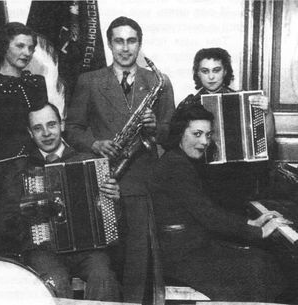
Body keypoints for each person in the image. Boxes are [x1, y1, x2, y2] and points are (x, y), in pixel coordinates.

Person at [65, 16, 175, 302]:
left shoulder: (158, 82)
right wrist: (95, 143)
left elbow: (172, 134)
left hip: (142, 185)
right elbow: (72, 128)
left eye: (131, 41)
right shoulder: (89, 81)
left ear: (139, 44)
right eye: (118, 41)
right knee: (105, 262)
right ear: (109, 44)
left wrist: (155, 127)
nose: (125, 48)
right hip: (103, 183)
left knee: (139, 266)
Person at [147, 104, 292, 302]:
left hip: (188, 246)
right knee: (260, 266)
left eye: (208, 135)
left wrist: (251, 223)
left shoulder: (179, 160)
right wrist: (259, 231)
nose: (204, 141)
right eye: (197, 134)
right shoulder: (176, 166)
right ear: (180, 133)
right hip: (180, 256)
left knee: (263, 262)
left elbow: (206, 210)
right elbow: (208, 215)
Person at [0, 103, 121, 301]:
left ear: (62, 125)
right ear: (30, 133)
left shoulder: (88, 161)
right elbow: (5, 222)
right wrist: (27, 209)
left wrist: (113, 200)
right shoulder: (21, 169)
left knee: (103, 276)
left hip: (88, 249)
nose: (46, 133)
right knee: (54, 280)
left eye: (51, 125)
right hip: (44, 251)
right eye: (38, 128)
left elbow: (113, 220)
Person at [178, 47, 275, 215]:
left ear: (225, 72)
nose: (211, 77)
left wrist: (267, 112)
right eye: (205, 71)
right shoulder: (187, 105)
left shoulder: (245, 101)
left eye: (216, 70)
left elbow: (266, 144)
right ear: (198, 74)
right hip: (201, 181)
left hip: (236, 183)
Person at [0, 22, 48, 162]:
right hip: (8, 164)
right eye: (20, 46)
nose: (27, 53)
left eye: (31, 48)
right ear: (4, 46)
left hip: (42, 158)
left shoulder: (37, 83)